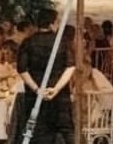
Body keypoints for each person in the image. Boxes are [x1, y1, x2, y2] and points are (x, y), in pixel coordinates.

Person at [17, 8, 76, 144]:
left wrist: (37, 90)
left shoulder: (28, 42)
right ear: (51, 23)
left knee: (38, 134)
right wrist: (56, 88)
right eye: (57, 22)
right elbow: (71, 66)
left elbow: (22, 69)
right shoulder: (62, 41)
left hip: (36, 95)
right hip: (60, 96)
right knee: (66, 132)